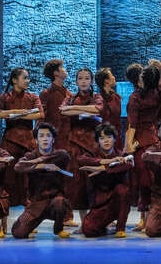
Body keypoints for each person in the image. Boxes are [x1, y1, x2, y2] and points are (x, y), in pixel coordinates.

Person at [0, 68, 44, 226]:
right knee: (7, 183)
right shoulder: (4, 97)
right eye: (24, 78)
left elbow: (39, 114)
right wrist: (15, 111)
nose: (28, 80)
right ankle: (3, 224)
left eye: (28, 78)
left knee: (29, 185)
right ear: (14, 80)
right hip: (9, 143)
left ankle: (29, 223)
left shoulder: (32, 97)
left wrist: (16, 115)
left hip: (28, 144)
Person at [11, 122, 72, 239]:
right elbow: (18, 167)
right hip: (35, 204)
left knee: (61, 203)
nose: (45, 139)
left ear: (53, 140)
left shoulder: (60, 155)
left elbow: (65, 157)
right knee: (18, 233)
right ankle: (31, 225)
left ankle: (58, 229)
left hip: (54, 202)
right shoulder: (30, 156)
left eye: (48, 136)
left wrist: (38, 162)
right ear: (36, 140)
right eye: (41, 136)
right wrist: (42, 165)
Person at [60, 68, 104, 225]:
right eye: (80, 78)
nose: (84, 81)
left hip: (93, 144)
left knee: (95, 183)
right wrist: (79, 110)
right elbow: (63, 111)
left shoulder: (97, 97)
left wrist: (73, 109)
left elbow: (97, 109)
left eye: (86, 78)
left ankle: (97, 219)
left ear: (91, 81)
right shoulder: (70, 98)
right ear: (76, 81)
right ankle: (84, 222)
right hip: (74, 145)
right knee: (77, 184)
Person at [78, 122, 133, 238]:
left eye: (109, 137)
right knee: (88, 229)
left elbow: (128, 164)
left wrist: (102, 169)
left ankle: (120, 228)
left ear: (114, 139)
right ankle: (103, 227)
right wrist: (105, 162)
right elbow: (81, 160)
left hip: (117, 201)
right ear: (98, 141)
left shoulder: (120, 154)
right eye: (102, 138)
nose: (106, 141)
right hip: (100, 203)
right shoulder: (93, 154)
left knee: (123, 190)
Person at [125, 63, 161, 230]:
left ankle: (148, 219)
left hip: (142, 140)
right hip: (152, 138)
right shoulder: (156, 93)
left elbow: (132, 125)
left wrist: (129, 145)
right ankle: (147, 218)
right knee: (149, 180)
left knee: (145, 181)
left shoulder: (137, 97)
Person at [39, 59, 71, 150]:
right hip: (53, 138)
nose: (65, 70)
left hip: (68, 138)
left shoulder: (69, 94)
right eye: (62, 68)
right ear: (56, 73)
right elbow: (40, 118)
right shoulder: (46, 94)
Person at [95, 67, 123, 149]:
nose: (114, 77)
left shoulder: (116, 97)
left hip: (116, 137)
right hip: (104, 138)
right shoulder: (98, 99)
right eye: (112, 76)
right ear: (106, 81)